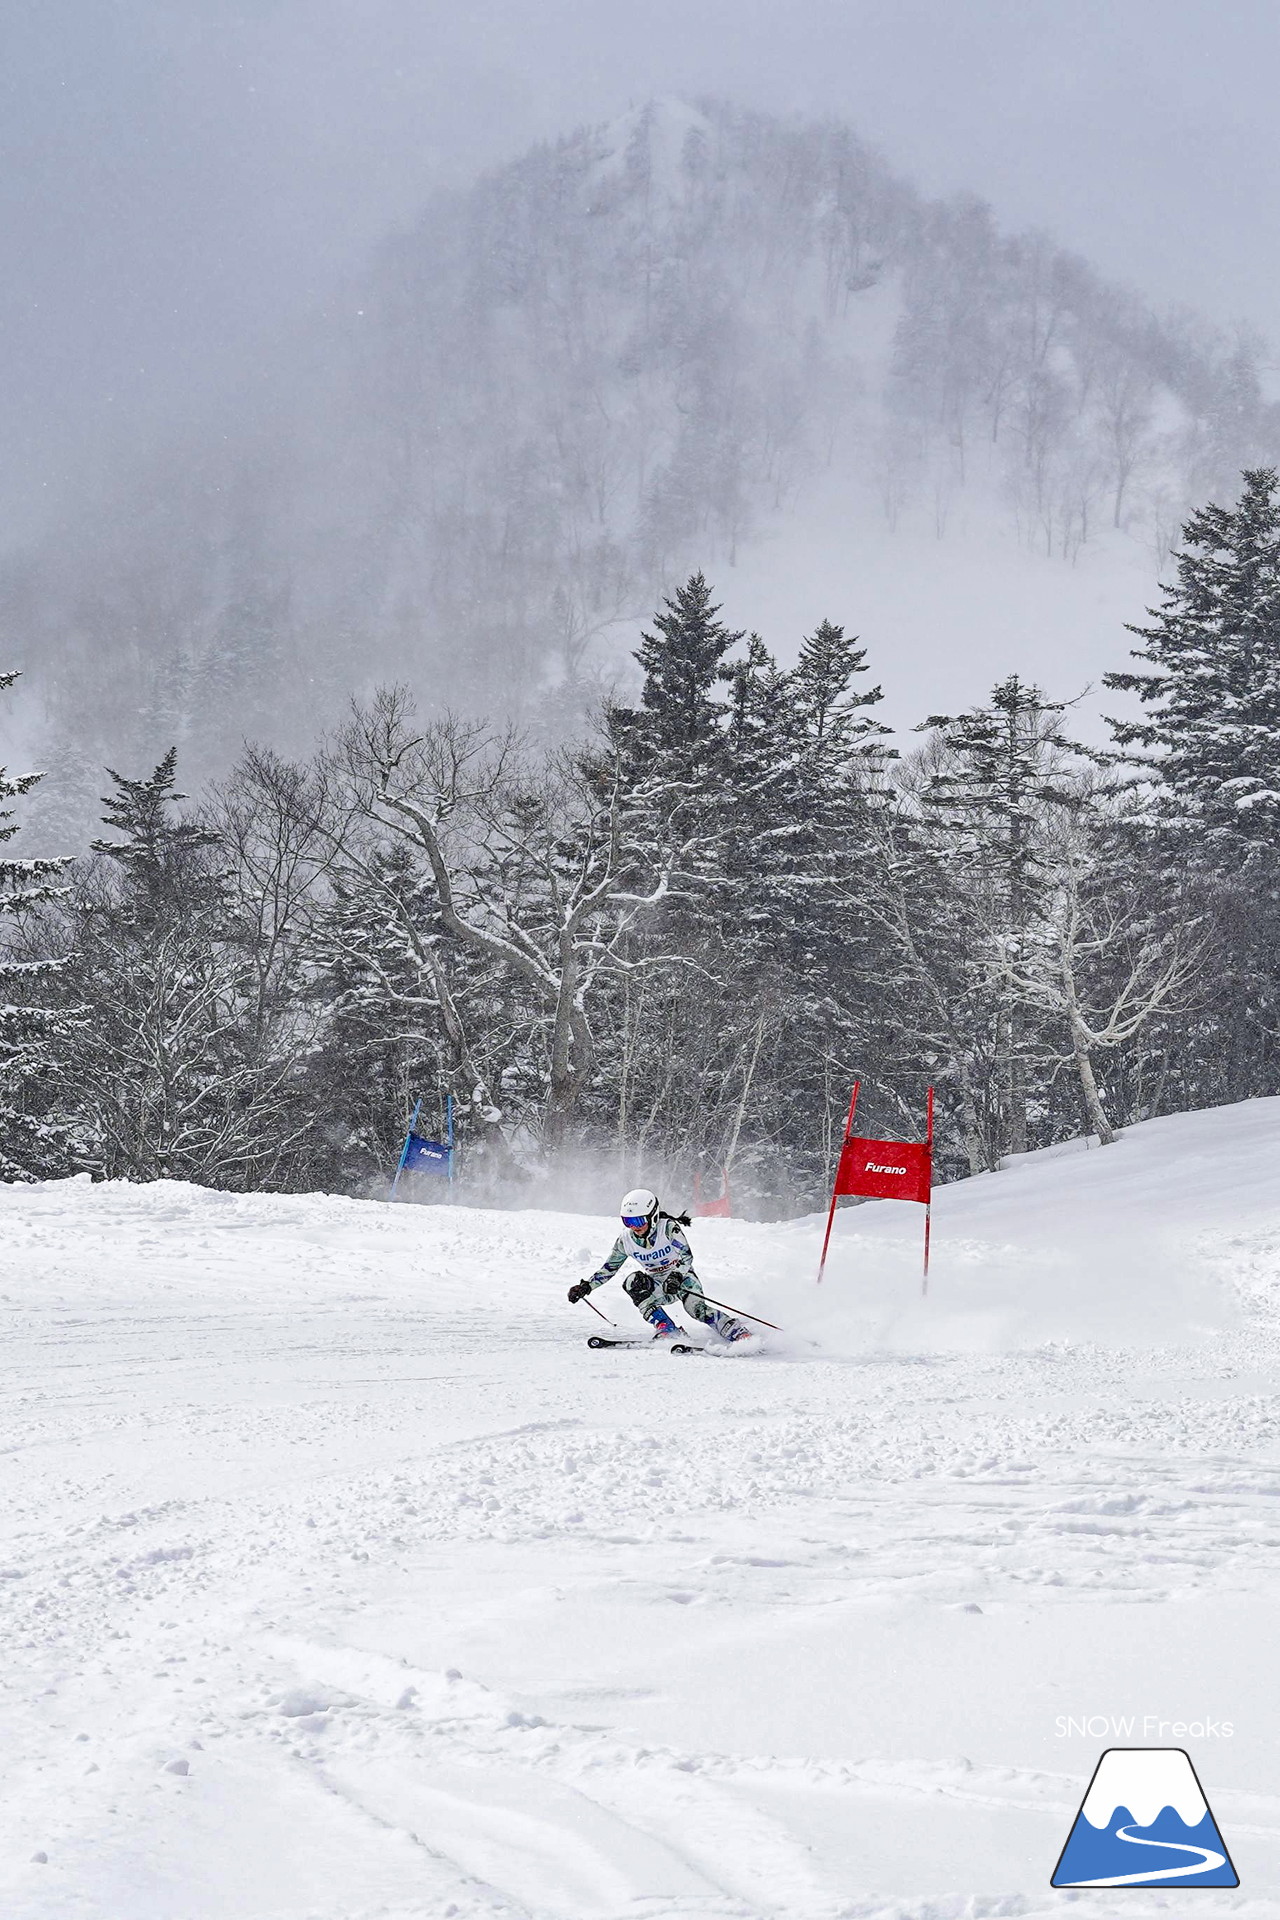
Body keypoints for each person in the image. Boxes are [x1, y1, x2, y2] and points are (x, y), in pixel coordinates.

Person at [568, 1188, 751, 1341]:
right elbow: (609, 1269)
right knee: (632, 1281)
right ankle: (667, 1328)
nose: (634, 1226)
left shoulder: (669, 1228)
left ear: (653, 1216)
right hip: (657, 1285)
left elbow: (686, 1257)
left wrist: (676, 1276)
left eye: (638, 1220)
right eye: (628, 1221)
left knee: (695, 1310)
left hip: (682, 1279)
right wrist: (586, 1287)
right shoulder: (625, 1240)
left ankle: (734, 1330)